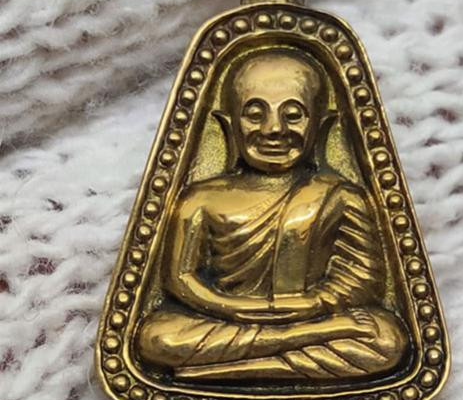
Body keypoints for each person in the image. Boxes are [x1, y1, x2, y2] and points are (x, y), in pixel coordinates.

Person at [138, 48, 408, 380]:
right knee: (157, 337)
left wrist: (312, 305)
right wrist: (239, 309)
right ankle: (293, 343)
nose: (274, 129)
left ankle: (230, 369)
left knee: (388, 339)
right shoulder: (200, 198)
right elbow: (181, 280)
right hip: (231, 318)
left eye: (293, 115)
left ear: (322, 126)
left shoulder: (340, 196)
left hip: (308, 314)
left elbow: (362, 280)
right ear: (228, 124)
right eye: (254, 114)